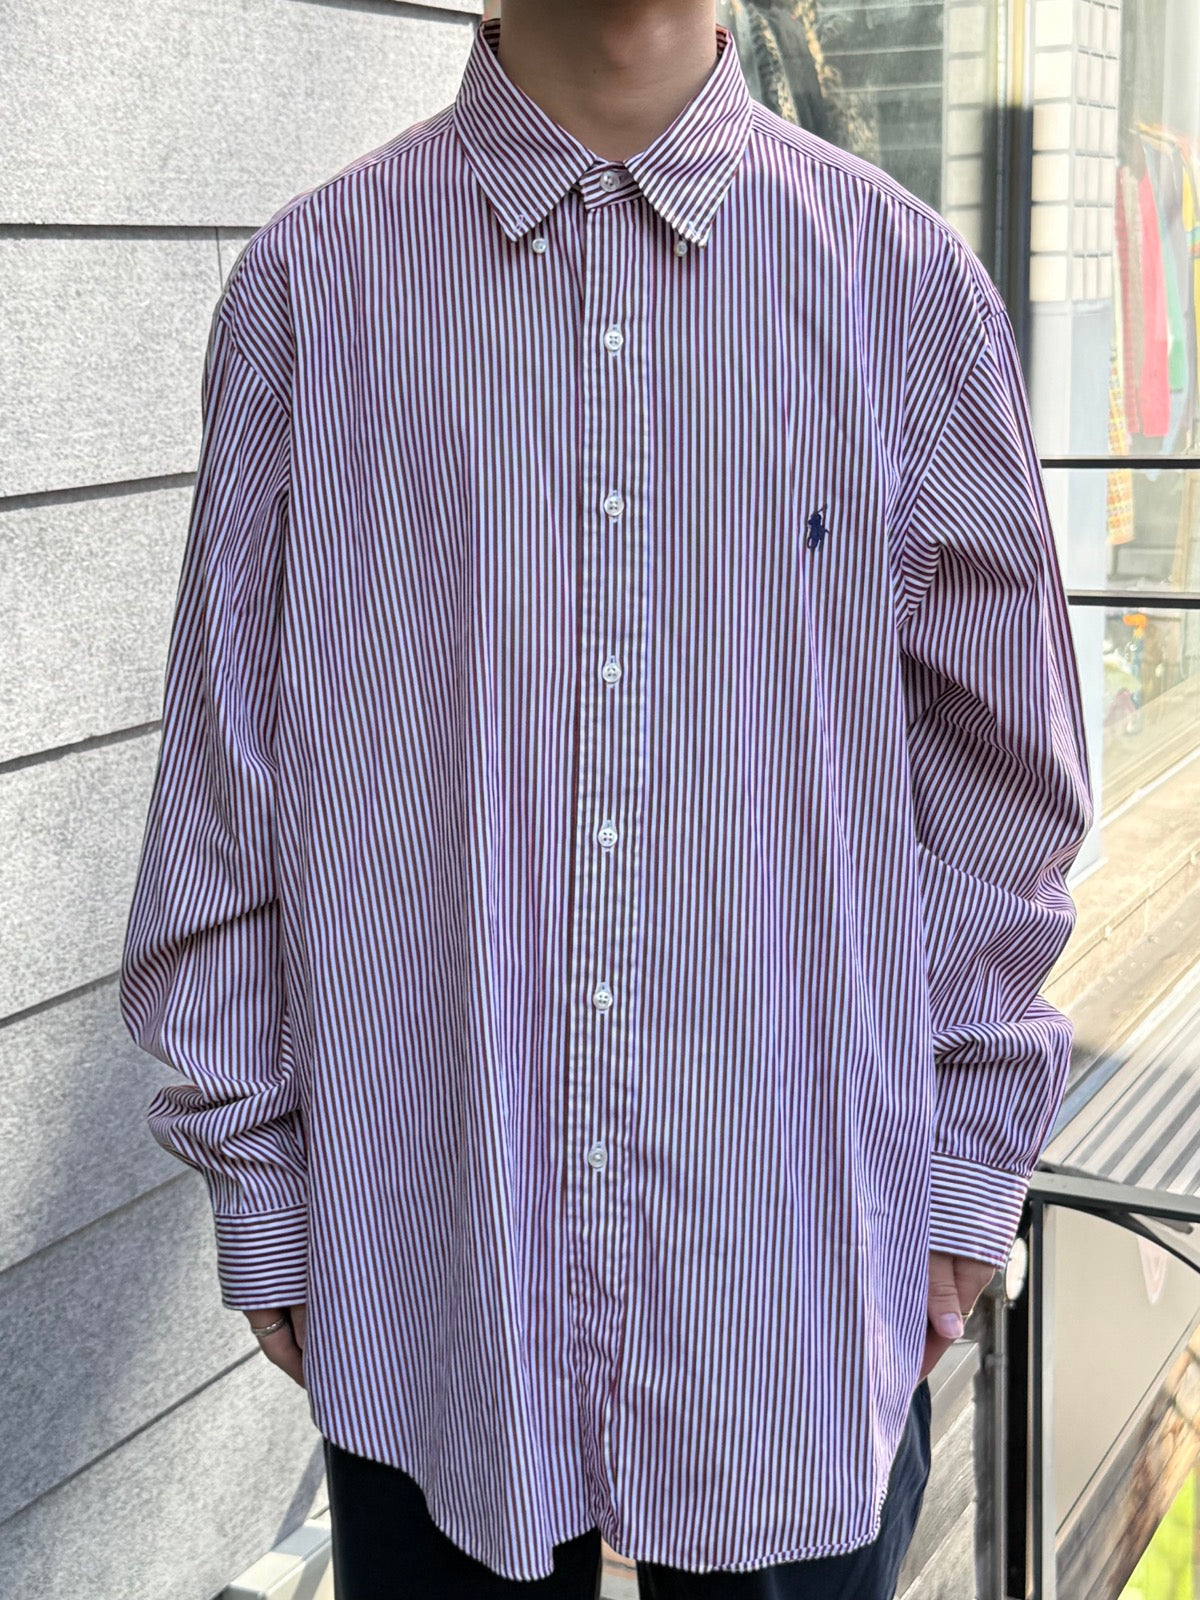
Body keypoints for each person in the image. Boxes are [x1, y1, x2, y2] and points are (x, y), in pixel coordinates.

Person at [118, 2, 1095, 1597]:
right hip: (437, 1263)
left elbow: (1001, 784)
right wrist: (264, 1174)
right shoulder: (314, 291)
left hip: (800, 1257)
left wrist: (965, 1171)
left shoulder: (902, 290)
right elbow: (226, 776)